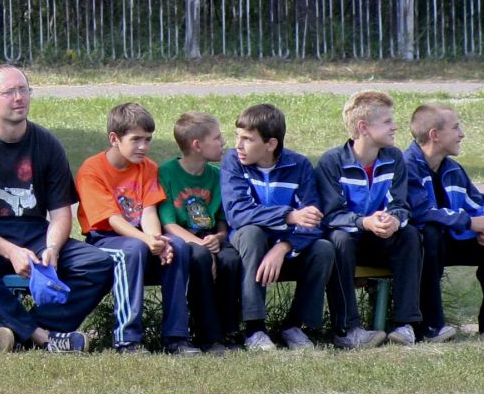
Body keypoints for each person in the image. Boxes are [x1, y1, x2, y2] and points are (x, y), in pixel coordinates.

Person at [0, 65, 113, 353]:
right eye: (9, 92)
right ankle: (42, 337)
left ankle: (16, 332)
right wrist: (10, 251)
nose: (19, 98)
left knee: (98, 264)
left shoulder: (47, 144)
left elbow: (60, 213)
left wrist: (53, 248)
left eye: (23, 90)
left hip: (35, 234)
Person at [220, 103, 347, 351]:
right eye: (238, 136)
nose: (238, 145)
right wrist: (288, 215)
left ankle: (295, 326)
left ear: (270, 144)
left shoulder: (298, 166)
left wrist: (284, 247)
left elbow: (313, 219)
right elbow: (237, 213)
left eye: (247, 139)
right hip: (247, 244)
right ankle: (254, 328)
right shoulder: (234, 162)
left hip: (286, 246)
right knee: (252, 233)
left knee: (323, 249)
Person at [74, 103, 196, 355]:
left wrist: (157, 242)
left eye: (148, 139)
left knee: (179, 247)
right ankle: (127, 339)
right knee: (132, 249)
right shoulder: (92, 170)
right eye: (136, 139)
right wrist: (145, 240)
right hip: (105, 239)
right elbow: (113, 219)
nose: (144, 146)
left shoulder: (148, 167)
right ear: (114, 139)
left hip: (140, 236)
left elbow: (148, 210)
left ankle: (177, 337)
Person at [406, 101, 484, 340]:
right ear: (435, 135)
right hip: (419, 248)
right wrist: (469, 223)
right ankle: (430, 327)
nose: (461, 134)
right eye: (455, 128)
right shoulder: (407, 166)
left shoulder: (453, 169)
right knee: (430, 232)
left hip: (449, 242)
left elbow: (481, 203)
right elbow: (420, 211)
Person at [318, 90, 424, 346]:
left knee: (409, 234)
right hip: (349, 240)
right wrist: (364, 222)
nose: (395, 126)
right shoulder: (332, 162)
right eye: (387, 122)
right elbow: (331, 215)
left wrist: (394, 220)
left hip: (380, 239)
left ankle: (405, 324)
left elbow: (399, 204)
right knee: (339, 239)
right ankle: (348, 329)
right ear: (364, 127)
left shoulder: (394, 158)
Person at [158, 111, 243, 351]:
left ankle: (230, 330)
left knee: (230, 258)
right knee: (199, 256)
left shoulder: (217, 176)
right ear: (197, 145)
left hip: (211, 238)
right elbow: (168, 223)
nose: (223, 142)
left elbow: (221, 220)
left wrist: (219, 237)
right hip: (183, 239)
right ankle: (207, 335)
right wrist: (201, 244)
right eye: (216, 138)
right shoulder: (166, 173)